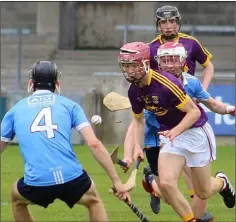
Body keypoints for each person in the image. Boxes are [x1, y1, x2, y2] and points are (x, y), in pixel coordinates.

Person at [118, 42, 235, 222]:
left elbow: (195, 112)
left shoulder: (167, 84)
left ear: (145, 63)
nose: (130, 70)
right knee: (165, 183)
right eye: (126, 66)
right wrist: (136, 147)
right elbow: (138, 120)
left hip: (196, 133)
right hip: (171, 138)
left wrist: (175, 131)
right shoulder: (134, 91)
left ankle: (222, 182)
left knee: (202, 192)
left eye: (133, 65)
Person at [0, 61, 130, 222]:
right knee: (93, 200)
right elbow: (94, 143)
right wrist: (117, 181)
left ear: (31, 84)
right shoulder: (70, 106)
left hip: (37, 181)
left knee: (17, 198)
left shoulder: (15, 110)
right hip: (71, 177)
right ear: (57, 83)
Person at [124, 4, 215, 218]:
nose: (168, 26)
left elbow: (208, 66)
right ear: (158, 25)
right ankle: (191, 212)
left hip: (186, 107)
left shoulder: (191, 43)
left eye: (172, 21)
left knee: (189, 174)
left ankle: (193, 207)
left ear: (178, 22)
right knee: (170, 177)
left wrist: (203, 91)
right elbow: (137, 115)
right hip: (161, 111)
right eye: (163, 22)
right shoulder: (149, 48)